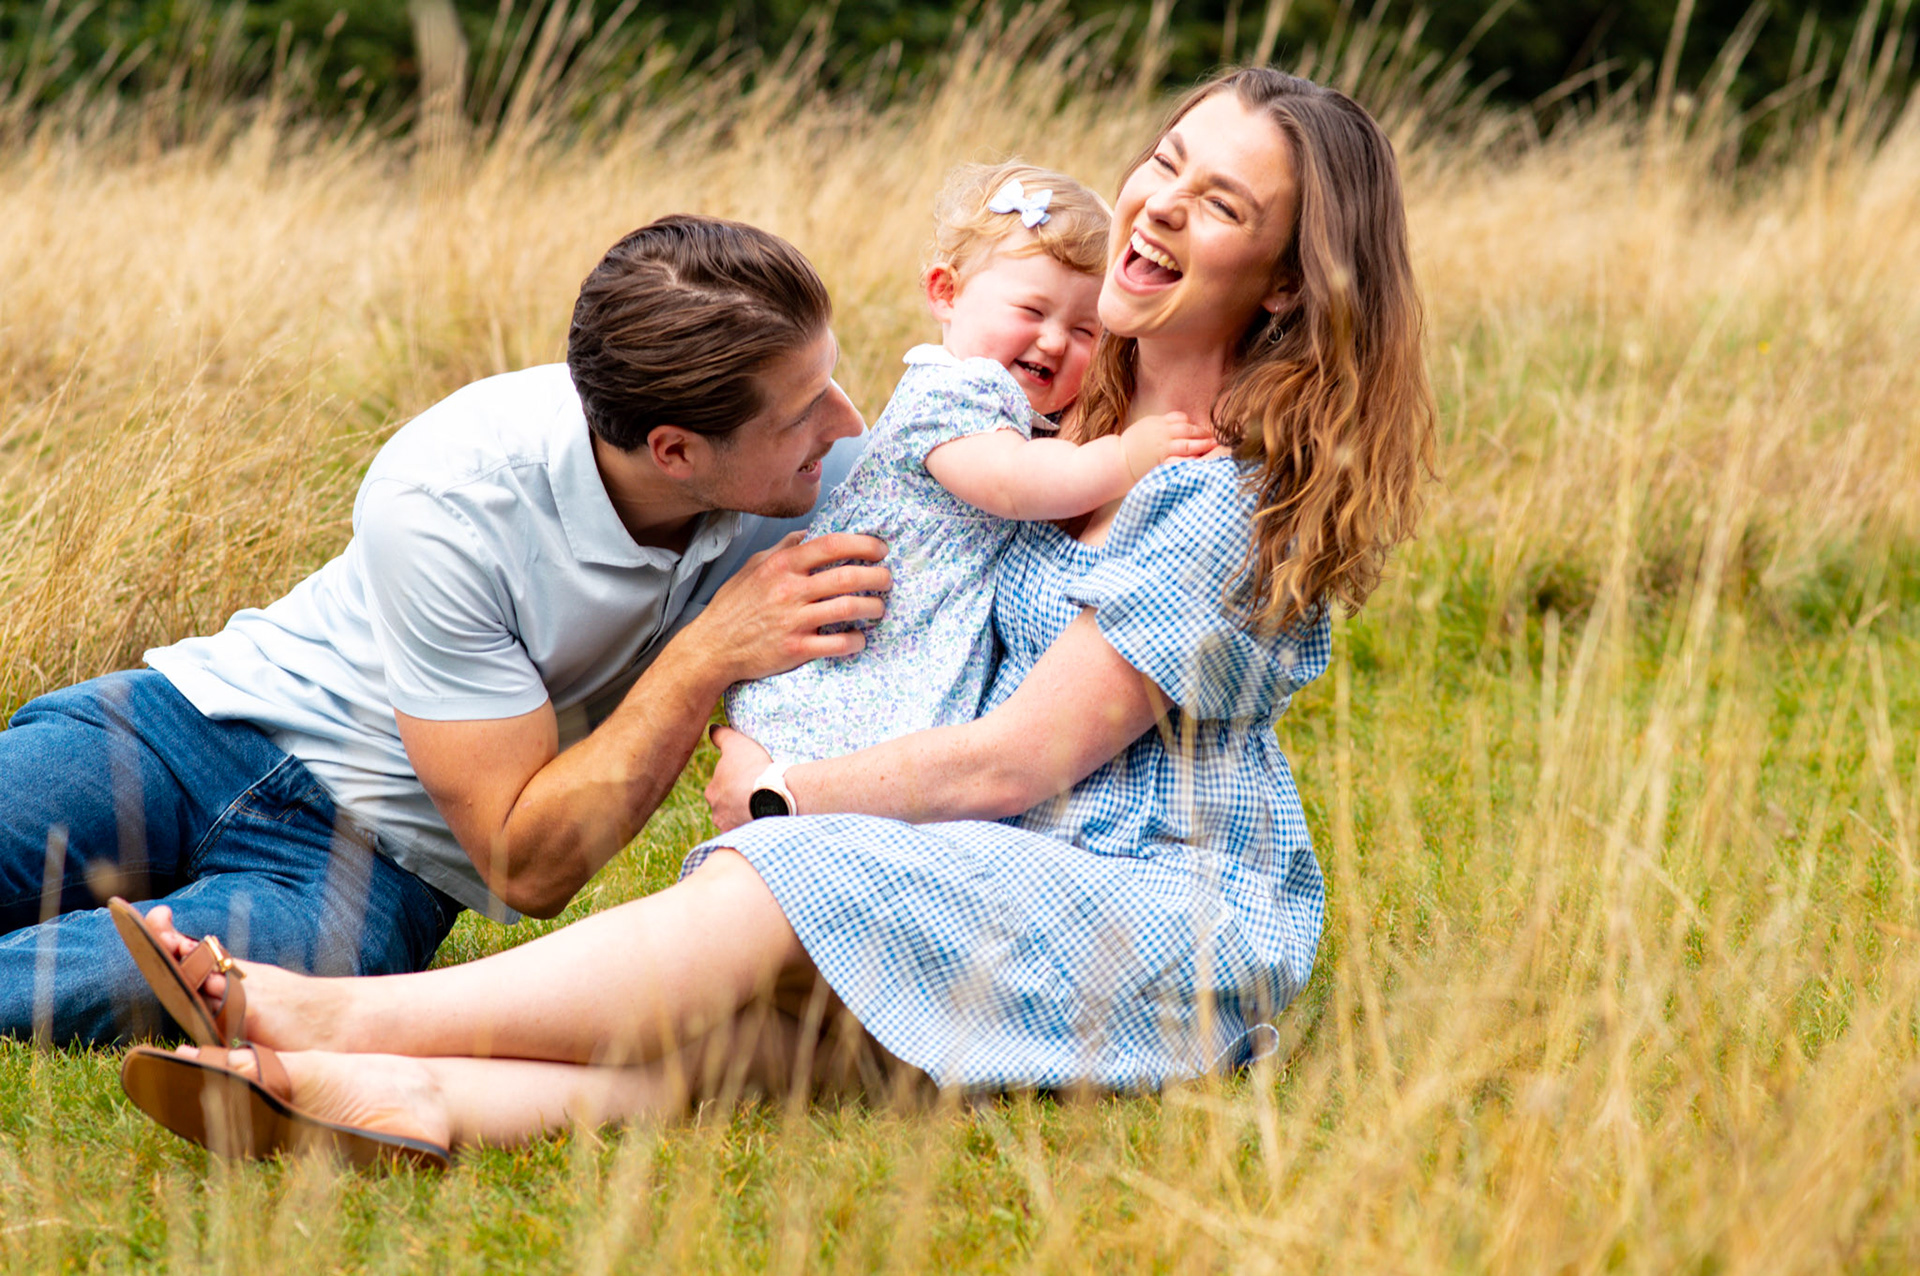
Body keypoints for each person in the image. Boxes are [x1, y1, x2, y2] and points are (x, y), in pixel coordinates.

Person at [114, 67, 1438, 1166]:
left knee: (780, 876)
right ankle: (409, 1100)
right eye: (1166, 161)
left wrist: (782, 793)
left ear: (1283, 282)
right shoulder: (1059, 424)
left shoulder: (1216, 495)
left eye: (1222, 205)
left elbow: (1016, 760)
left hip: (1158, 919)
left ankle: (328, 1015)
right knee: (752, 1046)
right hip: (1001, 883)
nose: (1161, 205)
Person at [0, 215, 886, 1045]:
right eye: (802, 412)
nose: (848, 425)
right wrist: (708, 652)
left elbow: (524, 873)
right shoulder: (452, 495)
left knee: (155, 980)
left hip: (372, 872)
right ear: (674, 451)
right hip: (191, 729)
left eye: (831, 381)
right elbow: (527, 853)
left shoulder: (836, 478)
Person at [727, 159, 1213, 769]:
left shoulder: (1012, 405)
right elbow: (1014, 483)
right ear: (947, 293)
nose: (1055, 341)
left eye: (1086, 331)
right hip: (869, 648)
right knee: (858, 761)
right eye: (1032, 312)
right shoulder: (948, 395)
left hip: (919, 640)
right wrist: (1125, 456)